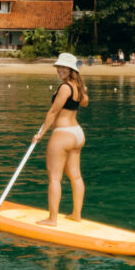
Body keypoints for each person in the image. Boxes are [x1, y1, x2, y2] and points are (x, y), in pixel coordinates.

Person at [33, 53, 89, 226]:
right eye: (59, 66)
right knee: (76, 177)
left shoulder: (65, 88)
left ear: (71, 69)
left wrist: (40, 134)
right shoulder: (79, 86)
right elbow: (85, 103)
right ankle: (76, 215)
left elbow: (53, 112)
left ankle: (52, 219)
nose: (60, 70)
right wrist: (83, 90)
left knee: (55, 178)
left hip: (63, 134)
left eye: (63, 67)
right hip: (77, 134)